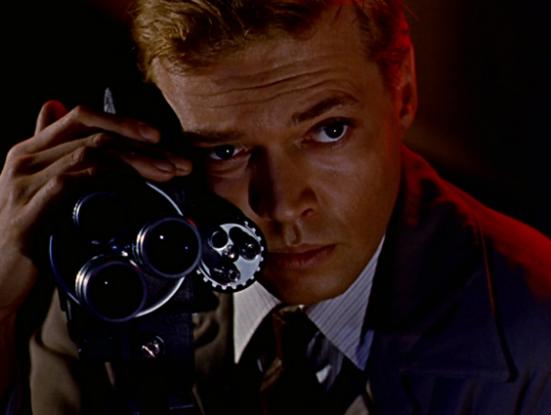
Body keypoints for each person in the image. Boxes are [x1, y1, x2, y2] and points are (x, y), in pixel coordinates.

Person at [1, 0, 551, 413]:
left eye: (329, 130)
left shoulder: (538, 336)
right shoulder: (118, 282)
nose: (284, 207)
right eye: (225, 150)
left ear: (402, 90)